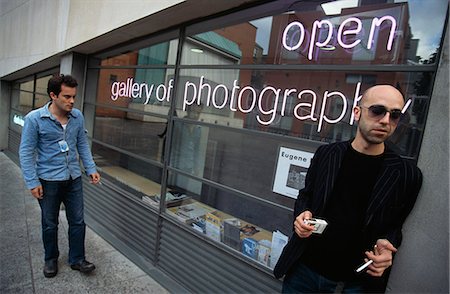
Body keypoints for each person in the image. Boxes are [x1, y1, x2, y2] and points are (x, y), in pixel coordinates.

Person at [273, 85, 423, 293]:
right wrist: (301, 216)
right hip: (303, 272)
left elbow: (395, 226)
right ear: (357, 112)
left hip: (355, 283)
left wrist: (386, 247)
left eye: (395, 115)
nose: (386, 121)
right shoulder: (327, 154)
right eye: (377, 111)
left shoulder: (407, 175)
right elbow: (305, 196)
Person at [19, 74, 101, 278]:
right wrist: (32, 181)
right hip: (48, 181)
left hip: (73, 179)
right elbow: (26, 152)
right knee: (50, 223)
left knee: (78, 221)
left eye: (73, 96)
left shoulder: (77, 117)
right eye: (66, 96)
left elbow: (82, 143)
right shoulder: (34, 119)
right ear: (53, 95)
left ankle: (77, 259)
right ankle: (50, 259)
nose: (72, 101)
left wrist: (90, 168)